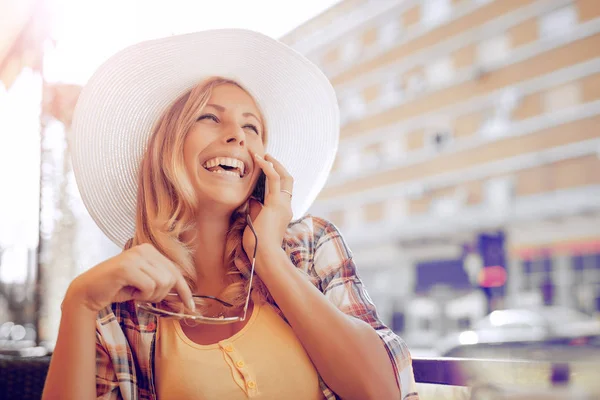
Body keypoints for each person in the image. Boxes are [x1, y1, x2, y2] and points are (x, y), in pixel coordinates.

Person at [42, 29, 419, 400]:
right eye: (209, 117)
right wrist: (79, 304)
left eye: (251, 126)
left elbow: (382, 392)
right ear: (165, 146)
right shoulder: (123, 298)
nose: (237, 135)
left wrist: (269, 257)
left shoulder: (311, 244)